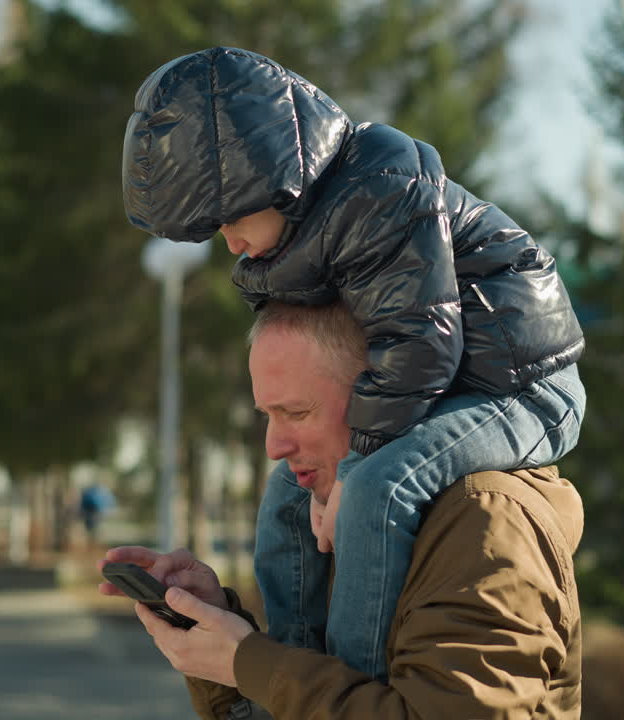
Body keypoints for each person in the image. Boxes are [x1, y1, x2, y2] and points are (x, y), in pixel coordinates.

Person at [122, 46, 586, 681]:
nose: (225, 241)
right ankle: (283, 672)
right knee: (288, 497)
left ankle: (350, 682)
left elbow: (420, 345)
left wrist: (356, 463)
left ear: (270, 179)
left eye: (228, 218)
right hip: (446, 381)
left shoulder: (381, 195)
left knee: (378, 488)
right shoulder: (292, 242)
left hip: (523, 388)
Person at [99, 301, 584, 719]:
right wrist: (223, 642)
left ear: (388, 400)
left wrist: (249, 662)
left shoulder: (485, 522)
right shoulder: (331, 509)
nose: (273, 446)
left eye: (296, 412)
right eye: (267, 415)